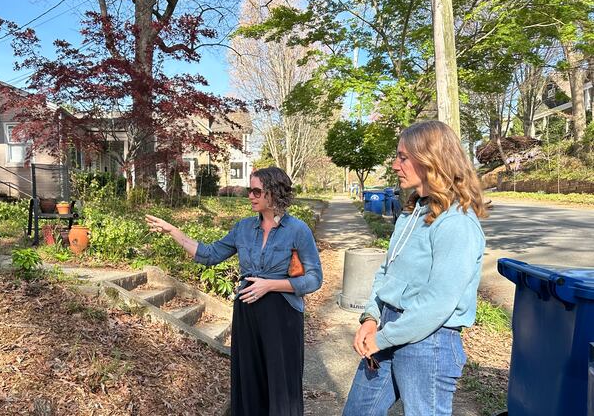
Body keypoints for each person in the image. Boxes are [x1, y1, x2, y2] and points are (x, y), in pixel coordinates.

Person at [145, 166, 322, 415]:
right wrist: (174, 231)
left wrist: (270, 285)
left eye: (256, 191)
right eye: (250, 190)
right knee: (249, 381)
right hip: (247, 314)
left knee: (281, 385)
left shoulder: (298, 230)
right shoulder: (243, 228)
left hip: (282, 317)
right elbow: (208, 254)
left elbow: (314, 279)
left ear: (273, 193)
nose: (250, 195)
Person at [343, 120, 488, 416]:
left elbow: (438, 302)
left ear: (430, 160)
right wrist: (371, 317)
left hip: (429, 343)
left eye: (402, 157)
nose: (395, 165)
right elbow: (387, 271)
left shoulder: (457, 222)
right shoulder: (412, 212)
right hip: (388, 328)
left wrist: (381, 338)